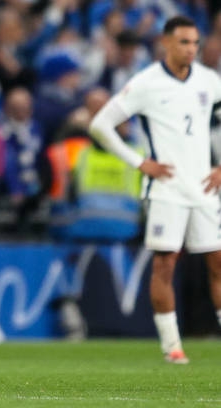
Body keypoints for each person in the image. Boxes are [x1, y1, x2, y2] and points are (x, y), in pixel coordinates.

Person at [89, 16, 221, 364]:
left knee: (219, 264)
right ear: (165, 43)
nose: (190, 49)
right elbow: (100, 124)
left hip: (205, 187)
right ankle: (172, 346)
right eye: (183, 42)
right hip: (166, 189)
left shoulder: (210, 80)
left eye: (194, 42)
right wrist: (138, 162)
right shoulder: (146, 83)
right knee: (165, 264)